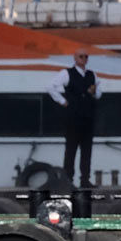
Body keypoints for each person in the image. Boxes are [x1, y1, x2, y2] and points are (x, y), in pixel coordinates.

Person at [47, 52, 98, 188]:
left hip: (88, 117)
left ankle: (85, 180)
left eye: (86, 56)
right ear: (75, 58)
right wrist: (63, 101)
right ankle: (68, 179)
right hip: (73, 117)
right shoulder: (67, 73)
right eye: (81, 56)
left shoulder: (92, 74)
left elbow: (98, 94)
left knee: (87, 150)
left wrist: (94, 92)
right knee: (71, 149)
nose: (84, 59)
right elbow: (51, 86)